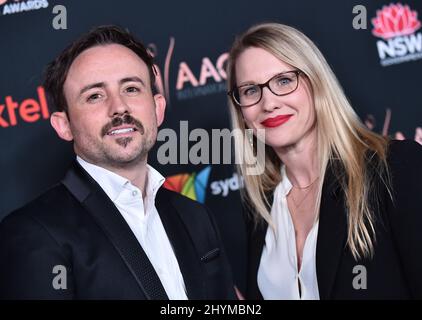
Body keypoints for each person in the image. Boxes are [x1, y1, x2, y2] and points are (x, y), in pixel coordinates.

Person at [0, 25, 236, 300]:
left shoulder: (195, 216)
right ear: (64, 126)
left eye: (132, 88)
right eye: (95, 96)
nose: (119, 107)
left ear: (157, 109)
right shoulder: (32, 233)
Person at [226, 22, 422, 299]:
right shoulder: (261, 208)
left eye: (284, 80)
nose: (268, 103)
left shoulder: (395, 169)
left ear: (316, 82)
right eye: (250, 90)